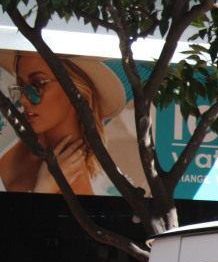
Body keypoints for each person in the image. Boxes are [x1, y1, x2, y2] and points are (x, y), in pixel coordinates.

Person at [0, 51, 127, 195]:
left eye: (37, 85)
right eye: (21, 85)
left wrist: (44, 189)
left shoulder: (83, 186)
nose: (23, 99)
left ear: (74, 90)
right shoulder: (12, 138)